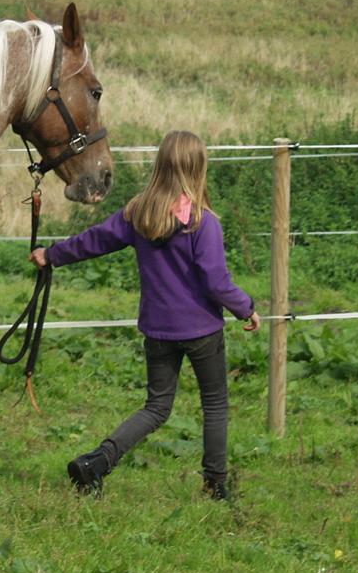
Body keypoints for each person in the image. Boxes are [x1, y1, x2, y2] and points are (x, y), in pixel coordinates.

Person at [30, 130, 260, 501]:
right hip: (202, 331)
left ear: (161, 165)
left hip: (158, 331)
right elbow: (216, 282)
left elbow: (94, 240)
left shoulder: (138, 213)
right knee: (215, 403)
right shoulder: (204, 223)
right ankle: (215, 485)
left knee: (156, 407)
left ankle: (97, 463)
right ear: (199, 168)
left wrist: (52, 254)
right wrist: (245, 307)